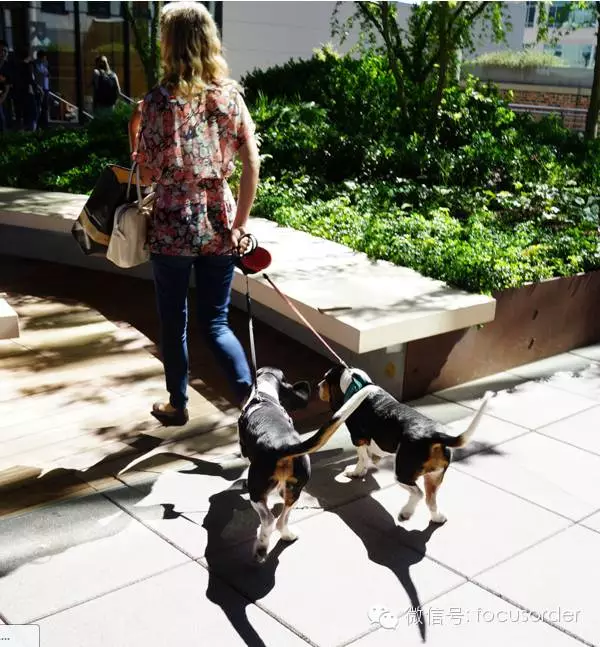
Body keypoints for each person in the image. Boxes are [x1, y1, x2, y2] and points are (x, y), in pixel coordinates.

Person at [129, 1, 260, 426]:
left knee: (174, 321)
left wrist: (135, 136)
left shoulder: (156, 102)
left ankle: (177, 403)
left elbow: (147, 172)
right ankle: (256, 405)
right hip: (219, 221)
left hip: (172, 222)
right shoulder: (230, 98)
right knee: (216, 323)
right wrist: (239, 224)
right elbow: (252, 163)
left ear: (169, 44)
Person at [34, 50, 50, 128]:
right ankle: (38, 123)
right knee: (38, 106)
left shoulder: (45, 64)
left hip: (45, 87)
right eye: (44, 57)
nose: (45, 59)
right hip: (39, 88)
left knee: (45, 106)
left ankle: (44, 124)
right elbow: (36, 76)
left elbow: (47, 74)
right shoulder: (35, 64)